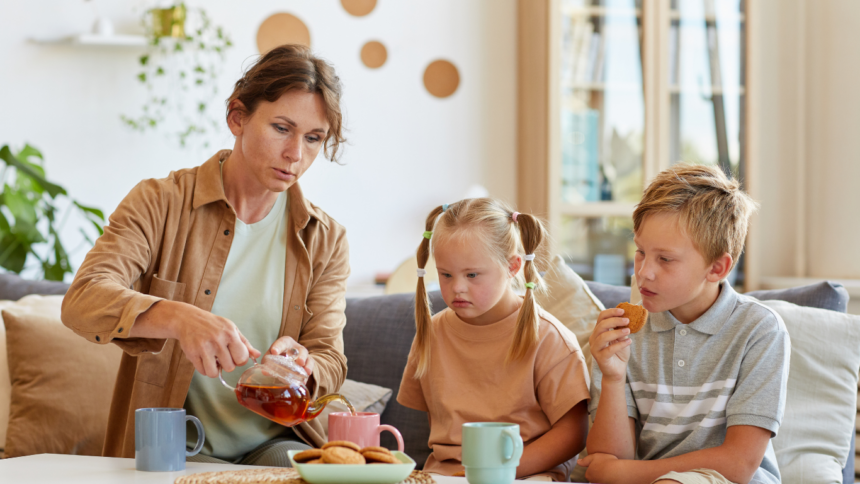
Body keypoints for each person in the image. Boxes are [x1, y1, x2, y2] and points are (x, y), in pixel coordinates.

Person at [61, 44, 350, 465]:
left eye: (313, 138)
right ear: (237, 118)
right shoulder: (159, 202)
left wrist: (304, 365)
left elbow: (330, 356)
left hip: (276, 443)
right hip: (175, 447)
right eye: (282, 129)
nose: (296, 155)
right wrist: (179, 318)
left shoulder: (325, 239)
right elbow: (84, 299)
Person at [580, 164, 790, 484]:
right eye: (640, 252)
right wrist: (611, 376)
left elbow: (738, 462)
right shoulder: (623, 332)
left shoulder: (760, 331)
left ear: (717, 268)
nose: (644, 272)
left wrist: (630, 473)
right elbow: (607, 463)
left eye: (665, 259)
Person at [396, 199, 590, 482]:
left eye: (472, 275)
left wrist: (503, 470)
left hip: (526, 475)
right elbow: (438, 422)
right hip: (445, 476)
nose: (457, 288)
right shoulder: (432, 332)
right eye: (446, 275)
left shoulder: (550, 338)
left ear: (513, 266)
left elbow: (574, 433)